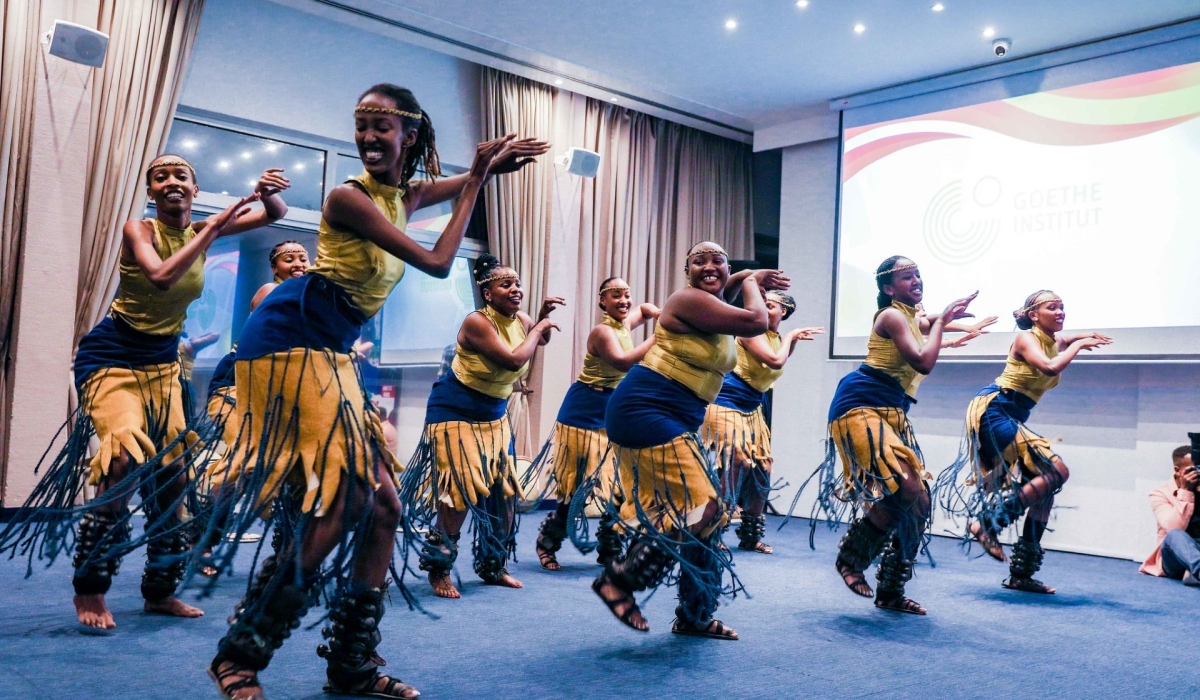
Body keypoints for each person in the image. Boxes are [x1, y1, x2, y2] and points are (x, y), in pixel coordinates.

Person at [202, 83, 548, 700]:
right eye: (360, 126)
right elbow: (440, 263)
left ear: (409, 135)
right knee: (346, 500)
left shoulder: (403, 194)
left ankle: (352, 666)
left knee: (384, 507)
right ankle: (242, 651)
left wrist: (486, 167)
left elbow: (459, 180)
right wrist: (476, 183)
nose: (366, 138)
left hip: (330, 350)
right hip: (289, 341)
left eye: (380, 127)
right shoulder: (348, 197)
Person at [0, 156, 288, 631]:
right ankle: (90, 588)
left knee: (173, 479)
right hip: (112, 357)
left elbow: (274, 215)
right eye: (161, 177)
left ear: (195, 189)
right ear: (152, 192)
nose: (172, 182)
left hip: (161, 365)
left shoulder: (200, 229)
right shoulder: (141, 230)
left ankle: (159, 592)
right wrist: (213, 227)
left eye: (181, 176)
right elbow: (160, 277)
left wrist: (267, 188)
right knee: (121, 459)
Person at [590, 242, 788, 640]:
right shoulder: (684, 300)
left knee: (708, 519)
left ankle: (695, 615)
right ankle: (620, 580)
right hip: (645, 409)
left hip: (676, 414)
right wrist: (749, 277)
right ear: (687, 272)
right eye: (700, 261)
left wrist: (735, 280)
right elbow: (754, 320)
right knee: (709, 506)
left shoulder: (710, 305)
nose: (710, 266)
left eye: (719, 261)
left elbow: (725, 295)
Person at [798, 256, 976, 616]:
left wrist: (946, 319)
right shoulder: (892, 315)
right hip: (860, 405)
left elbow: (927, 322)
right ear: (888, 289)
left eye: (918, 275)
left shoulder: (910, 316)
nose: (917, 281)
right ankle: (851, 559)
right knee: (909, 490)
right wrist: (942, 321)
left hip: (892, 412)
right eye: (907, 277)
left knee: (918, 503)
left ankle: (891, 590)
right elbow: (923, 361)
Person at [402, 254, 563, 599]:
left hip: (494, 415)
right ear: (488, 293)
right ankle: (439, 568)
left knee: (503, 495)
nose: (516, 289)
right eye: (507, 284)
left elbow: (539, 340)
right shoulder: (476, 322)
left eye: (518, 284)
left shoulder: (520, 317)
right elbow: (514, 358)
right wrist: (538, 327)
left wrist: (542, 318)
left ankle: (493, 565)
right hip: (456, 411)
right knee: (459, 495)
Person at [938, 290, 1110, 594]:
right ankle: (988, 524)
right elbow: (1050, 367)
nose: (1060, 312)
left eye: (1062, 308)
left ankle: (1021, 574)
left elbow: (1062, 342)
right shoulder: (1026, 339)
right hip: (995, 409)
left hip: (1011, 413)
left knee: (1045, 492)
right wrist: (1081, 344)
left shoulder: (1049, 340)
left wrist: (1081, 336)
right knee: (1058, 472)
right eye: (1052, 308)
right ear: (1033, 315)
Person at [530, 277, 659, 571]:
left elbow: (645, 308)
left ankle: (610, 551)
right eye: (616, 296)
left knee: (619, 488)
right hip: (582, 414)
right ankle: (547, 542)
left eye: (627, 294)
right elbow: (623, 362)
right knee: (577, 490)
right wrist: (663, 334)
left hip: (613, 414)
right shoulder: (602, 332)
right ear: (603, 301)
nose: (624, 301)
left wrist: (657, 312)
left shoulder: (623, 324)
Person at [701, 291, 822, 554]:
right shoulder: (750, 332)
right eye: (763, 305)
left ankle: (750, 535)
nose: (764, 310)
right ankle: (712, 532)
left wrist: (789, 339)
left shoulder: (774, 337)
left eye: (771, 306)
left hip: (752, 405)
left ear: (784, 313)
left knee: (762, 468)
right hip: (727, 401)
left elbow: (776, 365)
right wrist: (792, 336)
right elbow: (775, 360)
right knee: (735, 462)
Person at [1140, 445, 1200, 585]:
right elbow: (1173, 527)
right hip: (1175, 556)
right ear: (1177, 470)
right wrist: (1186, 491)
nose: (1197, 473)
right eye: (1192, 469)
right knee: (1174, 535)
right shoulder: (1160, 493)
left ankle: (1193, 574)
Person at [179, 331, 221, 421]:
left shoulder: (186, 347)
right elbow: (215, 335)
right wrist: (195, 339)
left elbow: (215, 335)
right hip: (182, 386)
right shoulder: (187, 346)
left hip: (181, 386)